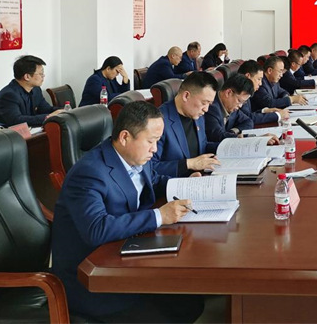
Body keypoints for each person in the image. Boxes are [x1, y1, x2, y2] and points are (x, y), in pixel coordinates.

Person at [51, 101, 203, 322]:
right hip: (93, 277)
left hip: (128, 256)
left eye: (158, 141)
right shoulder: (89, 173)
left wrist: (187, 186)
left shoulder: (136, 156)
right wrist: (160, 216)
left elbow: (153, 181)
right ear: (124, 137)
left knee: (191, 303)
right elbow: (96, 229)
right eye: (151, 141)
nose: (155, 149)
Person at [151, 71, 221, 177]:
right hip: (175, 182)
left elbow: (202, 146)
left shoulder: (197, 115)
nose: (206, 109)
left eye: (209, 104)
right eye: (204, 103)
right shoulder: (159, 121)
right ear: (186, 96)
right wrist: (189, 164)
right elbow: (150, 168)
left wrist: (226, 147)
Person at [204, 73, 281, 145]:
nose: (240, 106)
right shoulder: (211, 107)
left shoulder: (232, 106)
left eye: (243, 103)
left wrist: (233, 131)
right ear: (228, 93)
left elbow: (248, 121)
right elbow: (218, 136)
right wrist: (255, 139)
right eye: (239, 101)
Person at [0, 55, 62, 126]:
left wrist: (64, 111)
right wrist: (48, 117)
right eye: (41, 73)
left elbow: (46, 109)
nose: (43, 76)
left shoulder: (36, 89)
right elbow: (16, 120)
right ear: (27, 77)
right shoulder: (9, 95)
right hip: (4, 133)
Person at [238, 60, 289, 127]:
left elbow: (249, 113)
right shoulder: (239, 93)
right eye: (259, 79)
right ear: (248, 76)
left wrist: (265, 111)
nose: (260, 83)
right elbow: (248, 117)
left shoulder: (246, 91)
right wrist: (277, 115)